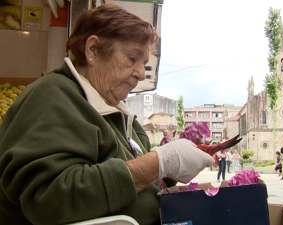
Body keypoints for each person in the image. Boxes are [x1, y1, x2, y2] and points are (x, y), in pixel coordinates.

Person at [0, 4, 214, 225]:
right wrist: (155, 164)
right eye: (132, 58)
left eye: (144, 64)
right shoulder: (52, 95)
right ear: (93, 50)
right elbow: (48, 198)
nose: (141, 74)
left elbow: (133, 177)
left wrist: (169, 170)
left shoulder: (119, 113)